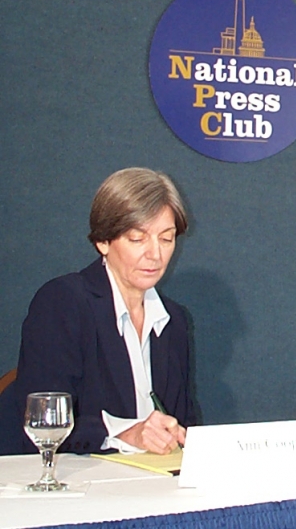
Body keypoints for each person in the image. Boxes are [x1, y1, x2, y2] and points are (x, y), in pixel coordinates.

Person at [15, 168, 197, 455]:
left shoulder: (173, 321)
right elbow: (44, 419)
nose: (155, 254)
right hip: (80, 480)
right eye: (137, 239)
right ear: (103, 241)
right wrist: (126, 434)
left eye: (166, 238)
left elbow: (182, 421)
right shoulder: (64, 302)